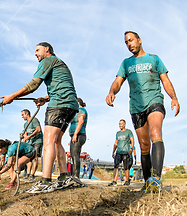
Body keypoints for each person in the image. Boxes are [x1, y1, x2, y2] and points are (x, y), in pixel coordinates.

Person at [0, 42, 79, 193]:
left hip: (59, 104)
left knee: (48, 141)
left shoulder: (47, 60)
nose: (35, 53)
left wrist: (12, 96)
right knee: (56, 141)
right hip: (71, 105)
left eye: (37, 50)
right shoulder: (60, 63)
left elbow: (34, 84)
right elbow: (62, 86)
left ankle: (46, 181)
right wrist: (45, 98)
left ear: (47, 50)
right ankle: (63, 177)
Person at [106, 31, 180, 191]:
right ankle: (148, 183)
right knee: (144, 145)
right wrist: (112, 92)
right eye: (126, 42)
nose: (129, 44)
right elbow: (118, 81)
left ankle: (157, 179)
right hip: (136, 106)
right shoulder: (126, 63)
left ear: (139, 40)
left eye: (131, 40)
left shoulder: (154, 59)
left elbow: (165, 80)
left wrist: (174, 97)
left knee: (155, 133)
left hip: (154, 101)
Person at [108, 119, 134, 186]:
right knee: (115, 166)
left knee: (126, 168)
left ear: (124, 124)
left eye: (121, 124)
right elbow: (116, 143)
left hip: (125, 152)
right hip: (118, 152)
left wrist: (131, 148)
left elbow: (132, 140)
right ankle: (114, 181)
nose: (120, 125)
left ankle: (127, 181)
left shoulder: (128, 132)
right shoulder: (118, 133)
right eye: (119, 124)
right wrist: (113, 152)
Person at [21, 109, 43, 182]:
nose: (22, 117)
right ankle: (27, 174)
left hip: (37, 141)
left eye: (23, 115)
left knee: (35, 158)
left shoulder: (34, 120)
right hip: (30, 141)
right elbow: (25, 133)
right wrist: (25, 139)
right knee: (29, 158)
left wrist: (29, 137)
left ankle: (32, 175)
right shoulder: (25, 124)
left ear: (27, 114)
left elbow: (38, 129)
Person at [69, 97, 88, 179]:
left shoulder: (81, 110)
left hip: (79, 134)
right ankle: (74, 175)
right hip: (75, 135)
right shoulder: (76, 111)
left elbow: (81, 121)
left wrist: (75, 134)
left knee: (74, 155)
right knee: (73, 154)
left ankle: (75, 176)